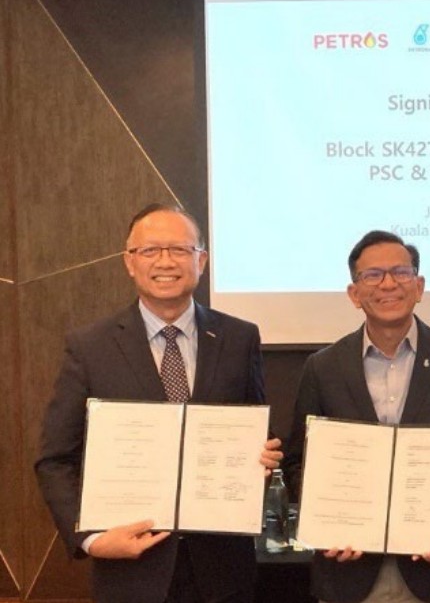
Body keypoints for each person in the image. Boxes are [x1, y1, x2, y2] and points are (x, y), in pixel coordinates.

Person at [35, 203, 283, 603]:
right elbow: (55, 459)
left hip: (222, 571)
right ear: (129, 263)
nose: (165, 261)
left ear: (201, 260)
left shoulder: (239, 339)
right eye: (150, 251)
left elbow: (256, 432)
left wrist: (264, 457)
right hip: (131, 572)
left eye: (180, 250)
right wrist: (92, 540)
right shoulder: (90, 347)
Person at [283, 229, 430, 603]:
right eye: (372, 275)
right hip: (347, 571)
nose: (388, 284)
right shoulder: (322, 367)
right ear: (354, 293)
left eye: (401, 273)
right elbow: (298, 461)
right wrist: (328, 525)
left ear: (419, 285)